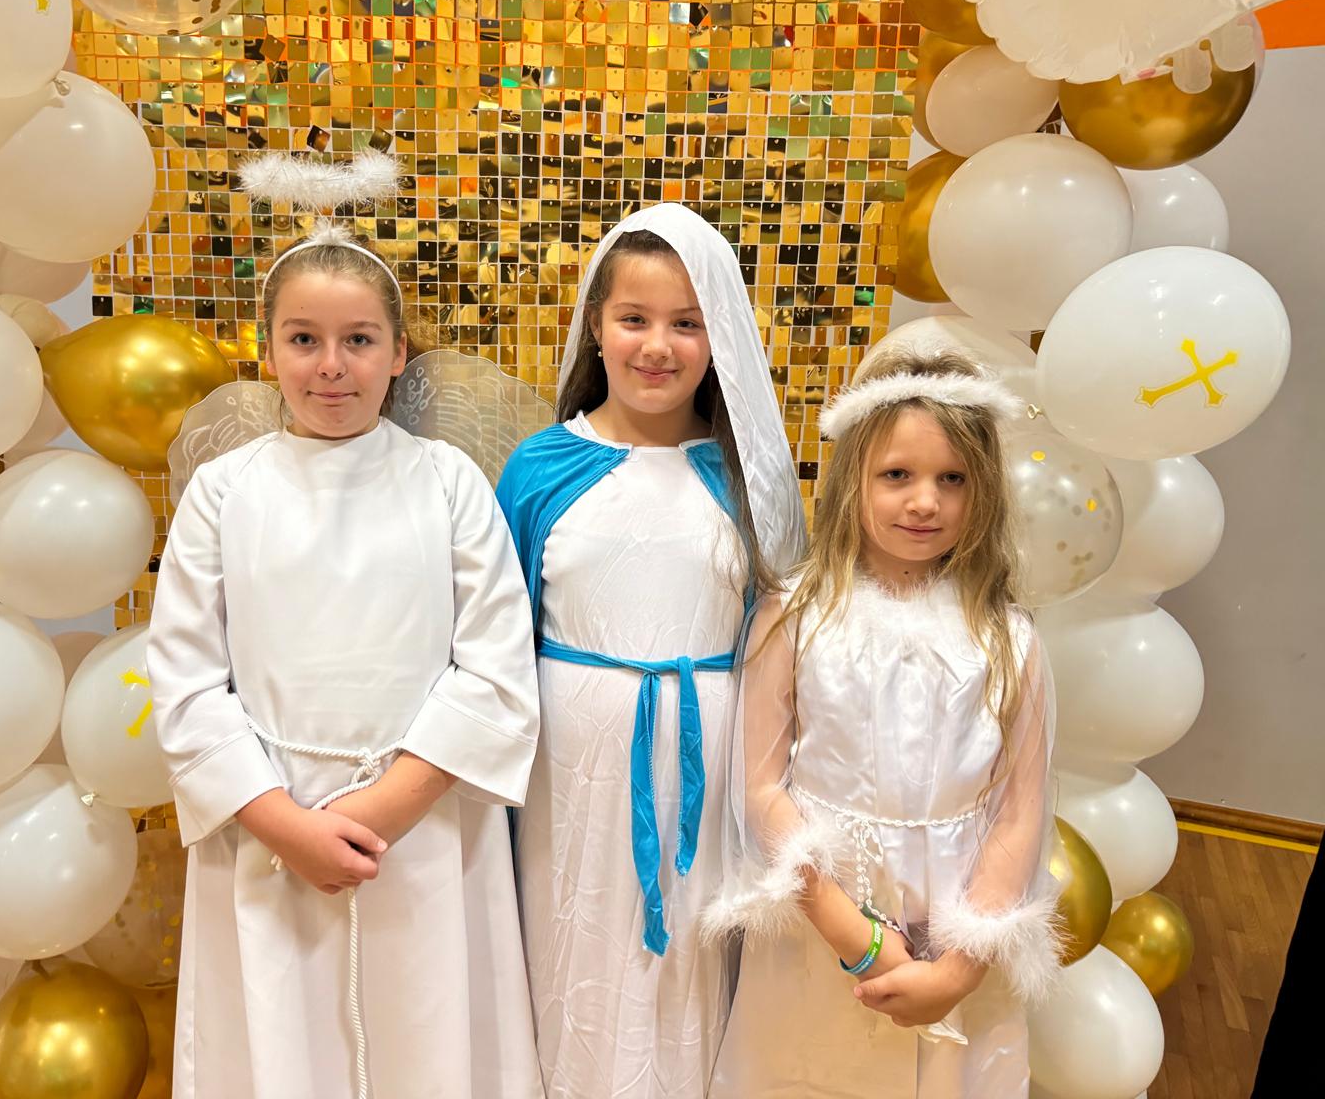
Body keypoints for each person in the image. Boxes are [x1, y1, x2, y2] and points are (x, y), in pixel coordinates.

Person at [148, 224, 544, 1099]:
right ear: (268, 350)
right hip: (270, 830)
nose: (331, 366)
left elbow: (495, 670)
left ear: (398, 353)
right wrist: (288, 829)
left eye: (358, 340)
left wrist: (381, 813)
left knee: (425, 1042)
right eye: (304, 339)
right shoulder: (223, 492)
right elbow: (185, 682)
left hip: (421, 827)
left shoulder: (448, 482)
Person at [497, 203, 804, 1097]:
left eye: (687, 323)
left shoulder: (747, 479)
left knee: (689, 966)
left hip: (712, 766)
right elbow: (496, 633)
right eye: (634, 318)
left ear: (720, 338)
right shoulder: (542, 468)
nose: (657, 346)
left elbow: (784, 638)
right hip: (566, 771)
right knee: (569, 943)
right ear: (597, 326)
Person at [705, 344, 1060, 1098]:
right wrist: (857, 938)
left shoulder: (1009, 639)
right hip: (823, 919)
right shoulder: (793, 616)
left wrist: (959, 967)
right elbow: (761, 788)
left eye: (952, 479)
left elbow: (1019, 811)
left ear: (983, 489)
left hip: (956, 921)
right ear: (853, 481)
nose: (925, 501)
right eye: (897, 475)